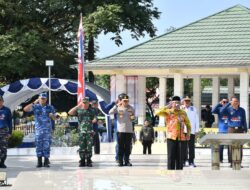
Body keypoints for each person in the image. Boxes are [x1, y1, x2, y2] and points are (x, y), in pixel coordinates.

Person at [155, 96, 191, 170]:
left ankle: (179, 172)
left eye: (178, 103)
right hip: (171, 136)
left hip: (181, 137)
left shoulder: (183, 112)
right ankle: (170, 172)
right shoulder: (168, 112)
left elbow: (188, 124)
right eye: (175, 103)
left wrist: (188, 134)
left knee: (180, 156)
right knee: (171, 156)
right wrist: (167, 106)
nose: (176, 104)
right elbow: (157, 112)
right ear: (172, 103)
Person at [23, 92, 56, 168]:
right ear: (39, 99)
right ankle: (39, 161)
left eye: (44, 98)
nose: (42, 100)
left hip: (47, 131)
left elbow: (55, 117)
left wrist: (52, 116)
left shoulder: (50, 107)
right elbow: (25, 109)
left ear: (46, 99)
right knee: (38, 146)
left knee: (46, 146)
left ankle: (46, 161)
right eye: (41, 98)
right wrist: (34, 102)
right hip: (38, 130)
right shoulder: (36, 106)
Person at [68, 96, 97, 167]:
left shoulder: (92, 110)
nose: (84, 104)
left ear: (88, 103)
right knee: (82, 147)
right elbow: (70, 112)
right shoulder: (79, 110)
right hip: (81, 132)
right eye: (83, 103)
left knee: (89, 147)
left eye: (86, 103)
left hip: (89, 132)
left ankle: (89, 160)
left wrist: (94, 120)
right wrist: (78, 105)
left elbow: (95, 118)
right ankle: (82, 160)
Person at [220, 96, 248, 167]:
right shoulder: (228, 109)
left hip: (239, 129)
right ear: (231, 102)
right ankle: (232, 162)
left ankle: (239, 162)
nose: (235, 103)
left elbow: (244, 120)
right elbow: (221, 110)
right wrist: (228, 104)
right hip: (231, 129)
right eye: (233, 101)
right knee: (230, 146)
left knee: (239, 146)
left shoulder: (242, 110)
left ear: (238, 102)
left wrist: (245, 129)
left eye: (236, 101)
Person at [109, 94, 135, 167]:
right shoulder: (118, 108)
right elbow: (110, 112)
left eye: (127, 101)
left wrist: (132, 116)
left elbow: (133, 118)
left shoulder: (131, 108)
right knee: (120, 147)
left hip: (129, 131)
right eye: (124, 101)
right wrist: (116, 105)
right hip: (120, 131)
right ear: (122, 101)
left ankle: (127, 161)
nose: (126, 102)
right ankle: (120, 161)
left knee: (128, 147)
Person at [181, 96, 199, 167]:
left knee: (191, 147)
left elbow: (196, 120)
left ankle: (191, 161)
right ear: (183, 102)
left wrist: (197, 130)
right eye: (186, 101)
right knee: (183, 147)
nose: (187, 102)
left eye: (188, 101)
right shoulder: (181, 109)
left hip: (191, 131)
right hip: (183, 130)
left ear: (190, 102)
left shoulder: (193, 109)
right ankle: (183, 161)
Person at [211, 98, 229, 163]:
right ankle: (220, 159)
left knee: (230, 147)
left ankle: (230, 160)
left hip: (229, 130)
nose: (225, 103)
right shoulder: (219, 109)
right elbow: (212, 111)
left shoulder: (230, 109)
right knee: (221, 147)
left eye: (226, 102)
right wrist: (219, 103)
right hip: (222, 130)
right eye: (223, 102)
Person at [0, 95, 12, 168]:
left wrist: (10, 132)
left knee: (3, 148)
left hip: (4, 131)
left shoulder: (7, 110)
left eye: (0, 101)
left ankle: (2, 162)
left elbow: (10, 121)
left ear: (3, 101)